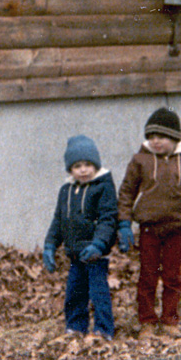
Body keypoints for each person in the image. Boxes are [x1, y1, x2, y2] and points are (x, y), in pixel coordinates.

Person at [117, 107, 181, 340]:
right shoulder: (140, 160)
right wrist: (124, 223)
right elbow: (127, 192)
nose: (155, 141)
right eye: (150, 136)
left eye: (160, 136)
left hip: (176, 228)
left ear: (174, 137)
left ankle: (170, 319)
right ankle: (147, 321)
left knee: (172, 276)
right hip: (149, 228)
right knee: (147, 275)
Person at [43, 135, 118, 339]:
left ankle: (103, 330)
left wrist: (99, 244)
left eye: (87, 164)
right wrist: (50, 245)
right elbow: (58, 221)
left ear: (95, 165)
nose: (83, 170)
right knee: (75, 293)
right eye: (77, 166)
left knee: (98, 293)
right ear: (70, 169)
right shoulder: (66, 191)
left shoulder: (103, 187)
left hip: (95, 254)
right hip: (75, 254)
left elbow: (108, 219)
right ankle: (76, 327)